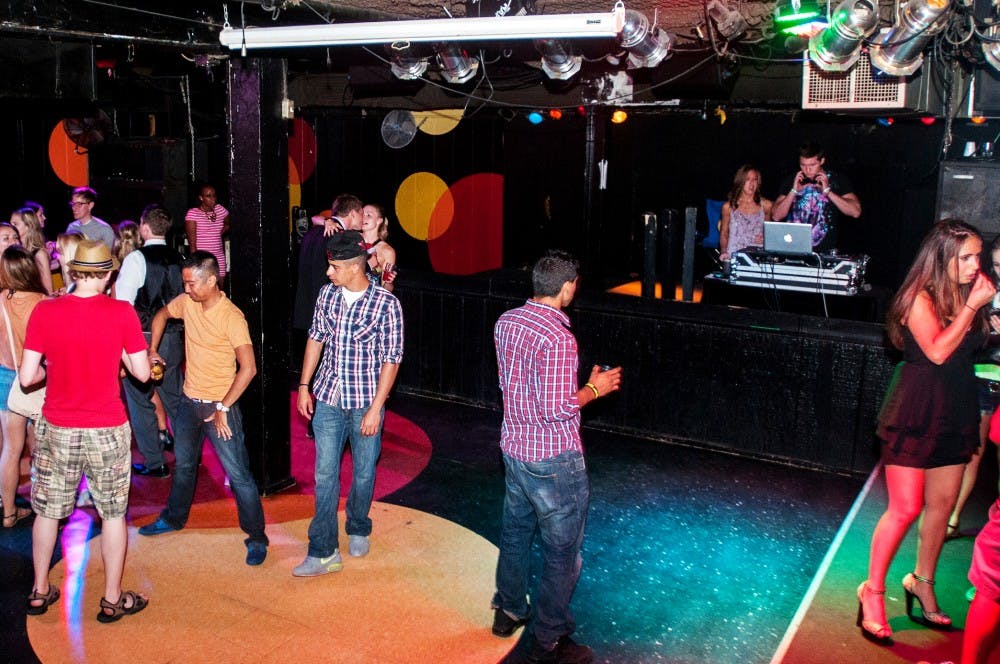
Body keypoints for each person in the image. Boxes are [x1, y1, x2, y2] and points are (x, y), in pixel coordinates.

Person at [857, 219, 995, 645]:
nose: (975, 265)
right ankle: (871, 591)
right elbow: (936, 351)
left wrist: (982, 314)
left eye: (978, 257)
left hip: (956, 408)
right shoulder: (918, 297)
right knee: (905, 508)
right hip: (915, 410)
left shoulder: (967, 294)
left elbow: (972, 346)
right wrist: (973, 307)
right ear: (941, 258)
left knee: (942, 505)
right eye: (966, 257)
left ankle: (922, 581)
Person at [492, 250, 622, 664]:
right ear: (567, 287)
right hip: (553, 461)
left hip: (515, 450)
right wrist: (595, 389)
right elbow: (556, 408)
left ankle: (508, 610)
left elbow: (524, 387)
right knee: (563, 553)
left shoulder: (506, 322)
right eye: (575, 284)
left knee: (515, 535)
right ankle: (549, 640)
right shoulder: (559, 338)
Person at [20, 239, 150, 621]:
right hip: (106, 427)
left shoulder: (46, 311)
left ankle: (39, 590)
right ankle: (111, 599)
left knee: (47, 512)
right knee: (112, 514)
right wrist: (122, 355)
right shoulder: (122, 313)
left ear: (73, 271)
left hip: (57, 426)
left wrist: (50, 371)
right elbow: (143, 374)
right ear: (108, 274)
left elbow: (27, 377)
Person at [138, 251, 268, 566]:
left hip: (219, 409)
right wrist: (152, 350)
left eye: (191, 283)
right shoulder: (188, 303)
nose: (186, 289)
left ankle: (257, 537)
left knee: (239, 475)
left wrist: (223, 405)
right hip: (188, 403)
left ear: (211, 280)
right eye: (184, 283)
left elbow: (249, 368)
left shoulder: (231, 316)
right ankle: (173, 518)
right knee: (184, 466)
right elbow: (161, 315)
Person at [293, 230, 403, 577]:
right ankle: (323, 550)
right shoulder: (327, 295)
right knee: (325, 474)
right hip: (328, 398)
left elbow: (391, 360)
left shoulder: (386, 304)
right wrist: (304, 385)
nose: (328, 273)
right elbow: (315, 339)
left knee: (364, 472)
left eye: (335, 267)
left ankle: (357, 525)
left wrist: (376, 408)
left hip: (366, 402)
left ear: (355, 267)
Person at [114, 205, 184, 479]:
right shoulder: (180, 257)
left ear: (144, 228)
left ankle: (156, 463)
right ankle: (188, 456)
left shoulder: (136, 259)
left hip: (141, 338)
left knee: (140, 400)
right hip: (173, 338)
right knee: (175, 398)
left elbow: (123, 305)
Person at [949, 234, 1000, 539]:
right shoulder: (984, 291)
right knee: (972, 451)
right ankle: (953, 517)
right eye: (997, 264)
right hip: (984, 378)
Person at [0, 247, 47, 527]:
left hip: (5, 377)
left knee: (11, 449)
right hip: (36, 379)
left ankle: (7, 513)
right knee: (40, 447)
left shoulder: (0, 300)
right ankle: (43, 509)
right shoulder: (42, 302)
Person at [771, 141, 862, 252]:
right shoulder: (792, 180)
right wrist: (793, 191)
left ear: (822, 161)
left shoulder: (837, 180)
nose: (807, 170)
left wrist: (828, 192)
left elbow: (855, 212)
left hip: (825, 251)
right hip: (793, 248)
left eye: (812, 165)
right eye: (803, 165)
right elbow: (776, 216)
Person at [719, 165, 772, 261]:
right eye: (748, 180)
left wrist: (766, 238)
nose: (751, 184)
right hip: (734, 255)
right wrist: (724, 252)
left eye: (754, 179)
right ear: (741, 182)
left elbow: (769, 231)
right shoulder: (728, 207)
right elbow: (724, 233)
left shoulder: (766, 205)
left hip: (758, 257)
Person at [184, 184, 230, 281]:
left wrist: (218, 233)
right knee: (204, 285)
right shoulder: (193, 213)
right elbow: (192, 244)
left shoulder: (220, 209)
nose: (213, 198)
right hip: (202, 258)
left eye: (214, 195)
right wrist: (196, 263)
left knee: (219, 286)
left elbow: (228, 223)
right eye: (208, 196)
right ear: (201, 198)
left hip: (218, 256)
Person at [10, 207, 53, 295]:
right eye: (10, 224)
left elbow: (48, 289)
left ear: (28, 226)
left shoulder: (39, 254)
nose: (11, 228)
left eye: (15, 224)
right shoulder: (16, 251)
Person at [359, 203, 398, 291]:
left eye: (368, 215)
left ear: (379, 221)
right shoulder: (352, 237)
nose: (363, 218)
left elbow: (386, 289)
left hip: (368, 295)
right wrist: (329, 222)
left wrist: (389, 281)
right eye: (362, 214)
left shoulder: (387, 251)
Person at [66, 186, 115, 250]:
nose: (74, 208)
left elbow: (108, 255)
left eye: (79, 204)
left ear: (90, 205)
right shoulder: (72, 227)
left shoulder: (104, 230)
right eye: (73, 204)